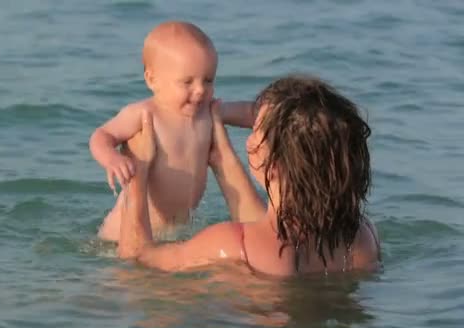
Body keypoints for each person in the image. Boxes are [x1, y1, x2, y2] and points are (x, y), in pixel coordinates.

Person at [117, 75, 382, 276]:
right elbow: (269, 236)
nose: (250, 138)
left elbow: (138, 258)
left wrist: (136, 172)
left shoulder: (230, 244)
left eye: (256, 129)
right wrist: (222, 159)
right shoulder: (363, 239)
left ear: (273, 164)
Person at [89, 21, 252, 241]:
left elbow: (249, 112)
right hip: (122, 234)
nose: (200, 90)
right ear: (152, 79)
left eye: (208, 80)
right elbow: (101, 136)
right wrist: (111, 159)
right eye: (187, 82)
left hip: (176, 232)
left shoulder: (208, 112)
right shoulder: (146, 115)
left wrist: (280, 114)